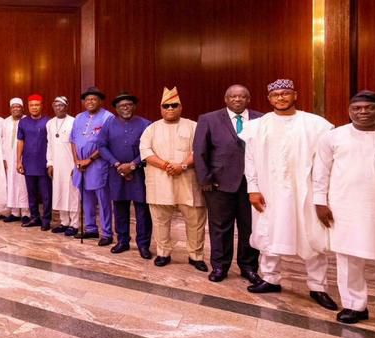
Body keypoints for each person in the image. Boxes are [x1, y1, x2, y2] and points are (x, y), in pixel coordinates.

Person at [243, 79, 336, 310]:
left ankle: (318, 287)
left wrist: (321, 196)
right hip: (269, 190)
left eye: (285, 93)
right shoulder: (257, 126)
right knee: (268, 233)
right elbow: (250, 160)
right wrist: (252, 188)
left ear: (295, 95)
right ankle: (270, 278)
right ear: (269, 99)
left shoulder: (315, 124)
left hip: (305, 191)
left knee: (311, 237)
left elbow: (324, 163)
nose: (281, 98)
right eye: (276, 95)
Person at [314, 91, 375, 327]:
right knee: (349, 258)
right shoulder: (333, 137)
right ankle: (353, 306)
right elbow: (321, 172)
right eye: (357, 108)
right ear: (349, 111)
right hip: (344, 207)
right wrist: (320, 202)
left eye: (369, 108)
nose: (362, 112)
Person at [194, 85, 263, 283]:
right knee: (220, 227)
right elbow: (200, 151)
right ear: (226, 99)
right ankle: (219, 266)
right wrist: (205, 179)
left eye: (242, 96)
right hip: (218, 184)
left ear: (248, 99)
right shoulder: (209, 119)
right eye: (233, 96)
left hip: (252, 185)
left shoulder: (262, 119)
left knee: (249, 227)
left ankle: (248, 267)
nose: (237, 99)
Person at [141, 88, 207, 270]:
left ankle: (196, 256)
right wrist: (165, 165)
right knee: (160, 221)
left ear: (181, 107)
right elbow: (145, 152)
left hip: (188, 182)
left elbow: (200, 150)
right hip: (160, 183)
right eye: (166, 106)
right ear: (160, 108)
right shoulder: (151, 128)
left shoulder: (193, 126)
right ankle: (163, 253)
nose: (170, 108)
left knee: (195, 222)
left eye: (174, 105)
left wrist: (182, 165)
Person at [97, 92, 152, 257]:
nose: (125, 108)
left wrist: (133, 164)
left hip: (140, 173)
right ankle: (122, 241)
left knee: (142, 210)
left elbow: (150, 148)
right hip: (116, 172)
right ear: (116, 108)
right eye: (121, 106)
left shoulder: (146, 124)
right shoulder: (108, 124)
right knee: (120, 208)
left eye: (128, 105)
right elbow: (101, 146)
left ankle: (143, 244)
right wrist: (116, 164)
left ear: (134, 106)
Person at [70, 87, 114, 241]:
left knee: (103, 200)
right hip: (80, 166)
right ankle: (90, 229)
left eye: (94, 99)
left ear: (100, 101)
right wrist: (76, 160)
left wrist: (89, 160)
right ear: (84, 102)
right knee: (86, 199)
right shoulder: (78, 117)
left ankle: (107, 233)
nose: (90, 102)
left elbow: (108, 143)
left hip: (98, 165)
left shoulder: (108, 117)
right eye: (87, 99)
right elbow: (73, 140)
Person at [17, 93, 52, 230]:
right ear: (28, 106)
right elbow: (20, 141)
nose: (34, 107)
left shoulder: (48, 122)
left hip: (43, 162)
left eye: (37, 105)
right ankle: (34, 217)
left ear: (41, 106)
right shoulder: (23, 122)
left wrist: (51, 162)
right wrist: (18, 161)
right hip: (28, 162)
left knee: (46, 194)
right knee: (31, 193)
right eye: (31, 105)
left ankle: (46, 219)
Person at [46, 96, 79, 236]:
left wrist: (76, 165)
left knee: (72, 194)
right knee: (59, 192)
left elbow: (77, 144)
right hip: (57, 164)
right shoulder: (50, 123)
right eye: (56, 105)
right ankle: (64, 222)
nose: (58, 108)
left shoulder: (74, 121)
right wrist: (50, 163)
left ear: (66, 107)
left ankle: (74, 224)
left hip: (70, 163)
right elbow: (49, 144)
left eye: (61, 105)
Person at [2, 98, 30, 223]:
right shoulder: (5, 122)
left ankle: (25, 213)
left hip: (24, 156)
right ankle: (14, 212)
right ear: (10, 109)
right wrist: (3, 158)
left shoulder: (27, 120)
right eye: (13, 107)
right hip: (9, 157)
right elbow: (2, 141)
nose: (16, 109)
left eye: (18, 106)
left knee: (23, 185)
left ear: (22, 108)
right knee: (11, 183)